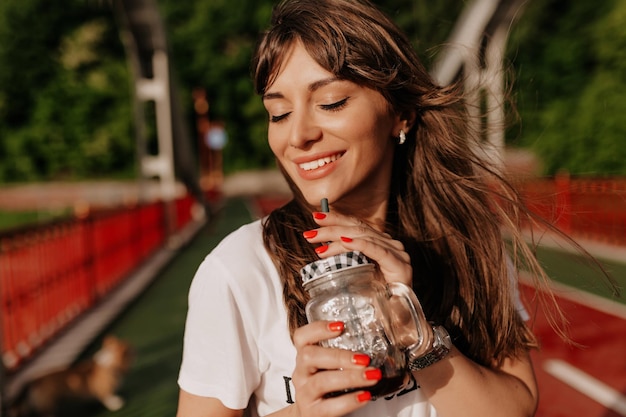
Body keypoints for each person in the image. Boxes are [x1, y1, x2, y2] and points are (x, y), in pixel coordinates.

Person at [176, 0, 548, 416]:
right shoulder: (239, 267)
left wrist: (418, 336)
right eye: (278, 113)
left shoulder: (467, 242)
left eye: (331, 102)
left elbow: (515, 407)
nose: (297, 135)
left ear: (401, 113)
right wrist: (302, 412)